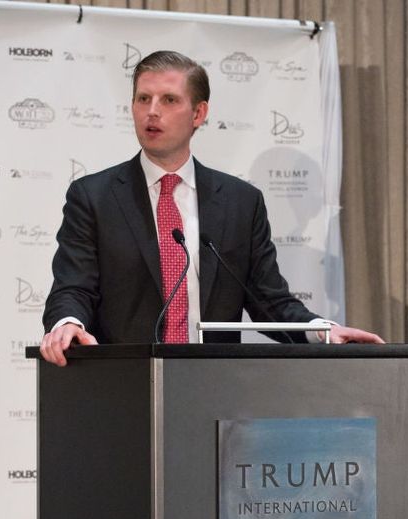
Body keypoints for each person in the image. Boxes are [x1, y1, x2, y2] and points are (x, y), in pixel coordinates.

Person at [40, 50, 382, 366]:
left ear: (199, 113)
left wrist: (323, 331)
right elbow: (74, 285)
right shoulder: (93, 197)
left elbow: (268, 301)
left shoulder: (240, 203)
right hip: (123, 385)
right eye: (143, 99)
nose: (152, 111)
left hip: (213, 388)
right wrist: (67, 323)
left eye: (169, 100)